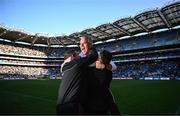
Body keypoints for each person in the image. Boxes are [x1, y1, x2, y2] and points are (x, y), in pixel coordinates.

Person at [79, 35, 120, 114]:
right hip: (84, 96)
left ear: (91, 44)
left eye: (84, 43)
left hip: (99, 98)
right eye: (80, 44)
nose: (81, 46)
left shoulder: (98, 55)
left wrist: (103, 66)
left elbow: (114, 66)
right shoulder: (79, 57)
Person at [56, 48, 98, 115]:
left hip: (60, 106)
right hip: (71, 105)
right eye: (78, 54)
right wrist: (91, 47)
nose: (80, 56)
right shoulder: (77, 63)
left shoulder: (64, 67)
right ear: (73, 56)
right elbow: (93, 56)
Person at [87, 50, 120, 115]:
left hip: (96, 104)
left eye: (99, 57)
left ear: (103, 60)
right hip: (103, 103)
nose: (97, 59)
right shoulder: (108, 72)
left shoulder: (99, 72)